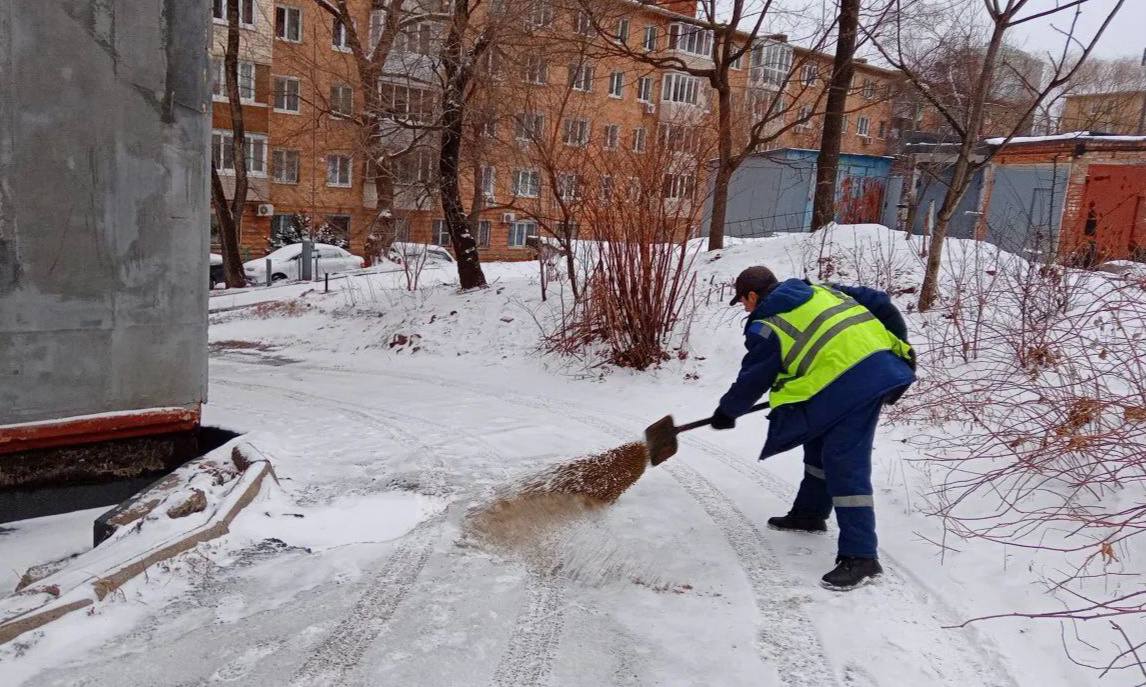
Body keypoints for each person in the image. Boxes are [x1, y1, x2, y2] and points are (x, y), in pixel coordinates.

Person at [712, 266, 915, 591]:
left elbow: (755, 377)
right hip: (855, 378)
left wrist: (727, 411)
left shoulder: (767, 323)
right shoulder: (820, 290)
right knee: (819, 445)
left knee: (845, 463)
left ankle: (862, 557)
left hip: (857, 385)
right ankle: (809, 514)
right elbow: (878, 300)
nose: (747, 309)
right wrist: (900, 350)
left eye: (744, 302)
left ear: (752, 295)